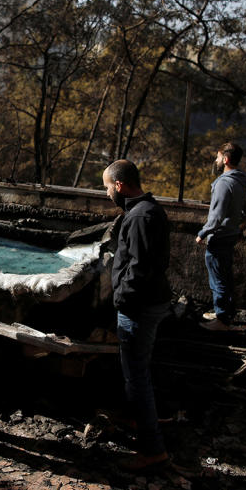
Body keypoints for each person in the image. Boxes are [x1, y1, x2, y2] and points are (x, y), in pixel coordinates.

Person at [102, 159, 172, 472]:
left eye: (106, 186)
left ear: (119, 185)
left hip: (138, 307)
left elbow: (140, 268)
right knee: (138, 371)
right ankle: (139, 419)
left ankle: (152, 450)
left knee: (137, 375)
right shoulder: (147, 211)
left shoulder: (141, 216)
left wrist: (120, 298)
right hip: (146, 304)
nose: (106, 193)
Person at [196, 142, 246, 330]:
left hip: (219, 237)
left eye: (218, 157)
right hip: (231, 235)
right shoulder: (241, 182)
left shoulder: (223, 183)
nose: (216, 161)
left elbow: (216, 217)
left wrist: (202, 233)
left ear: (225, 159)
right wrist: (234, 226)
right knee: (226, 276)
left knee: (217, 278)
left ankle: (221, 321)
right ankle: (225, 313)